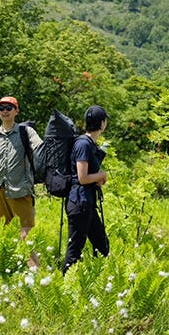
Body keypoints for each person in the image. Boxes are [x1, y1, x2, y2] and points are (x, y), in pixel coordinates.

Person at [0, 96, 43, 268]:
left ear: (16, 111)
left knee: (26, 234)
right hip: (0, 191)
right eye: (2, 108)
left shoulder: (26, 132)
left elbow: (41, 150)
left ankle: (35, 274)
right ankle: (3, 271)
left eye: (9, 108)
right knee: (0, 233)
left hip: (21, 190)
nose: (5, 111)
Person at [62, 105, 110, 274]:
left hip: (86, 203)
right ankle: (65, 285)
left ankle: (99, 282)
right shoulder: (83, 144)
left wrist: (96, 179)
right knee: (75, 250)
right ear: (102, 124)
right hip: (79, 203)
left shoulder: (89, 143)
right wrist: (100, 175)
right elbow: (82, 178)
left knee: (102, 245)